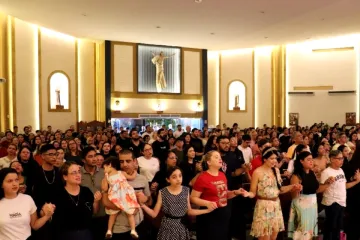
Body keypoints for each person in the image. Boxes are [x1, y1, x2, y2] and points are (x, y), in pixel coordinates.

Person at [238, 147, 302, 240]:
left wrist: (293, 186)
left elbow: (280, 189)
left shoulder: (276, 170)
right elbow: (253, 192)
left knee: (273, 237)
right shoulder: (258, 172)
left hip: (276, 206)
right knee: (264, 238)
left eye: (275, 158)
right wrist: (247, 194)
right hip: (263, 207)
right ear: (265, 159)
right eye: (271, 158)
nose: (274, 161)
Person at [142, 166, 211, 240]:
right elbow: (154, 214)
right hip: (167, 227)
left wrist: (207, 210)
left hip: (182, 226)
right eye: (174, 177)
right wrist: (142, 205)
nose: (178, 179)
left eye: (180, 176)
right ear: (168, 179)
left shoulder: (186, 190)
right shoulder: (162, 192)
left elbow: (189, 211)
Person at [190, 150, 243, 240]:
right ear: (209, 162)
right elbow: (193, 198)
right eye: (216, 157)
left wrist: (235, 192)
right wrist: (207, 203)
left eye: (220, 157)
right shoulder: (202, 177)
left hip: (223, 214)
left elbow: (224, 194)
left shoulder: (222, 175)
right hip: (209, 216)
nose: (220, 159)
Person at [102, 149, 152, 240]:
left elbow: (149, 200)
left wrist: (145, 199)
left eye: (128, 161)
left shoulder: (142, 179)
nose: (124, 164)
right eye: (121, 161)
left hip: (139, 225)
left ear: (134, 161)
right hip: (119, 228)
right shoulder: (111, 178)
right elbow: (105, 202)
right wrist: (128, 205)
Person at [52, 161, 102, 240]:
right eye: (74, 173)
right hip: (64, 234)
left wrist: (96, 201)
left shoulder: (86, 191)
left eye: (79, 172)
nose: (78, 175)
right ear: (65, 177)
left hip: (86, 233)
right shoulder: (58, 194)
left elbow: (94, 212)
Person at [0, 168, 55, 240]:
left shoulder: (27, 199)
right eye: (10, 181)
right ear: (1, 184)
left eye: (16, 180)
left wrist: (47, 216)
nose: (14, 184)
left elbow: (34, 225)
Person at [288, 151, 332, 239]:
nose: (311, 162)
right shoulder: (296, 176)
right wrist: (296, 189)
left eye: (312, 159)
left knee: (310, 231)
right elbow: (293, 196)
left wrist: (328, 183)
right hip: (301, 206)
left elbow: (316, 190)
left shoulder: (312, 173)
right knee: (302, 231)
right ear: (301, 161)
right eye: (308, 160)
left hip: (312, 205)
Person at [321, 150, 360, 240]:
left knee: (338, 228)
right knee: (331, 228)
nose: (342, 160)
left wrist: (356, 181)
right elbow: (321, 189)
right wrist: (327, 183)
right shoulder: (326, 172)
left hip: (341, 202)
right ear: (332, 159)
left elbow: (344, 186)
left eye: (342, 158)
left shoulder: (341, 170)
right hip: (332, 202)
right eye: (339, 158)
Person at [103, 157, 140, 239]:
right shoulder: (108, 175)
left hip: (121, 195)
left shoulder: (120, 173)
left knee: (125, 213)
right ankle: (109, 230)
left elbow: (132, 177)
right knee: (119, 214)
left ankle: (132, 230)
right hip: (120, 195)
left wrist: (135, 171)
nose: (104, 170)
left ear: (109, 165)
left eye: (104, 167)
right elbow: (104, 187)